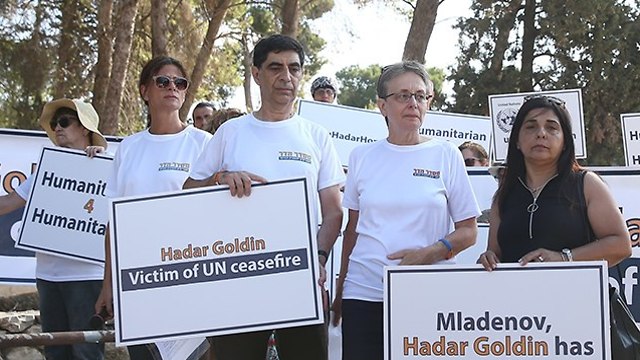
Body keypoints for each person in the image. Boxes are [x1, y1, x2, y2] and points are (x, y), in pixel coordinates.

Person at [183, 34, 344, 360]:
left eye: (294, 69)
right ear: (256, 73)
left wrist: (320, 257)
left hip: (302, 280)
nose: (286, 77)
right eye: (275, 68)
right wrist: (220, 177)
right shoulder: (231, 132)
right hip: (238, 279)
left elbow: (333, 213)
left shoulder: (316, 136)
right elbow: (187, 193)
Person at [331, 61, 480, 360]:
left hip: (426, 290)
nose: (413, 103)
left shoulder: (447, 154)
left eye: (420, 95)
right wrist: (342, 287)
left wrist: (429, 254)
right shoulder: (362, 156)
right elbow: (353, 229)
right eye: (402, 96)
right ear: (382, 106)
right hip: (365, 290)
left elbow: (469, 231)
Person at [94, 55, 212, 359]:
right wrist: (109, 283)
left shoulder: (205, 143)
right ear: (145, 91)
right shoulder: (129, 148)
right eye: (163, 81)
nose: (172, 87)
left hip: (192, 277)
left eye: (179, 82)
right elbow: (113, 222)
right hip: (139, 281)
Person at [0, 98, 108, 360]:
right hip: (48, 276)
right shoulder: (44, 171)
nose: (58, 128)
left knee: (87, 352)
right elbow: (8, 203)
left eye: (65, 121)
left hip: (87, 276)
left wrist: (100, 162)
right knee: (55, 352)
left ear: (84, 128)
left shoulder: (108, 167)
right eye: (54, 123)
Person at [477, 95, 631, 271]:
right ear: (517, 141)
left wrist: (565, 258)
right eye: (531, 126)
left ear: (565, 141)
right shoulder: (505, 192)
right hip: (515, 296)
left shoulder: (587, 184)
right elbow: (495, 253)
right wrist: (488, 258)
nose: (541, 133)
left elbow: (621, 245)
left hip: (575, 295)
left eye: (552, 128)